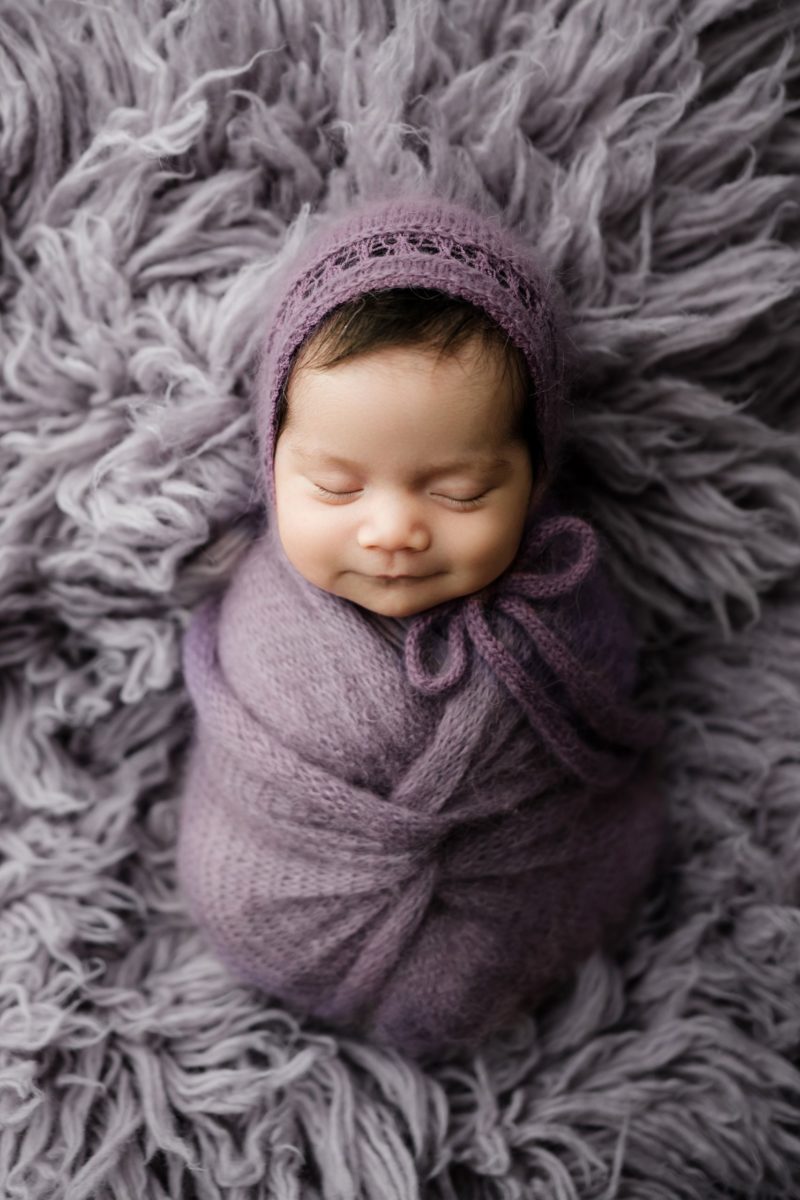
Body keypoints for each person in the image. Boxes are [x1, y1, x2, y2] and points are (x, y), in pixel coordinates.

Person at [176, 193, 670, 1064]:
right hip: (277, 886)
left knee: (543, 899)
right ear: (272, 461)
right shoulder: (267, 608)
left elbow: (607, 707)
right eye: (335, 487)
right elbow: (244, 774)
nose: (393, 531)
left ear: (536, 475)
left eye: (459, 492)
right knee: (232, 888)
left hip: (511, 895)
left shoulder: (560, 606)